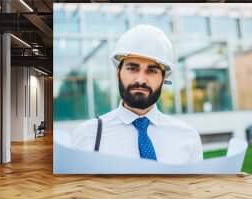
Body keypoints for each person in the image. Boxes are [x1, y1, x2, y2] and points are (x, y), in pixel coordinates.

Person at [72, 24, 203, 165]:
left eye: (152, 71)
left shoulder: (188, 137)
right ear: (118, 72)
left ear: (164, 78)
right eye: (133, 68)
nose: (140, 80)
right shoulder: (89, 134)